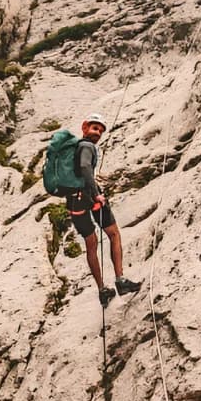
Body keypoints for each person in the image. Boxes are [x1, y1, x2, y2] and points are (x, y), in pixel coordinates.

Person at [68, 112, 142, 307]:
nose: (97, 133)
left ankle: (102, 290)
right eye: (94, 128)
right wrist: (95, 194)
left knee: (91, 245)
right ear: (85, 127)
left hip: (75, 202)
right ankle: (121, 281)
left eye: (100, 131)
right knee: (114, 235)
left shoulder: (76, 147)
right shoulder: (87, 146)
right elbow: (85, 167)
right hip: (91, 198)